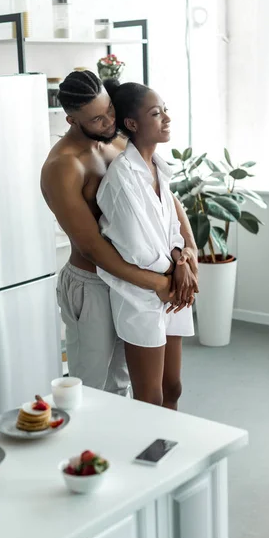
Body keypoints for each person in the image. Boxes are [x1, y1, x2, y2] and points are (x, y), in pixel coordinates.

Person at [40, 70, 198, 398]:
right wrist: (159, 282)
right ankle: (89, 451)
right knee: (97, 389)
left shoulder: (116, 139)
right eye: (97, 119)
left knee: (130, 383)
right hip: (93, 282)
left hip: (135, 281)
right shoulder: (63, 166)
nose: (109, 121)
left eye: (110, 110)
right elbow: (93, 248)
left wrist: (188, 252)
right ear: (71, 120)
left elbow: (167, 197)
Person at [97, 78, 196, 409]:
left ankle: (171, 455)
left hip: (173, 288)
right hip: (141, 297)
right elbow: (138, 250)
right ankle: (150, 458)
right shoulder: (122, 180)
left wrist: (181, 258)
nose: (166, 117)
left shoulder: (158, 169)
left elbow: (171, 228)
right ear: (132, 124)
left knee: (174, 386)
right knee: (149, 397)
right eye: (156, 113)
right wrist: (177, 270)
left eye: (165, 110)